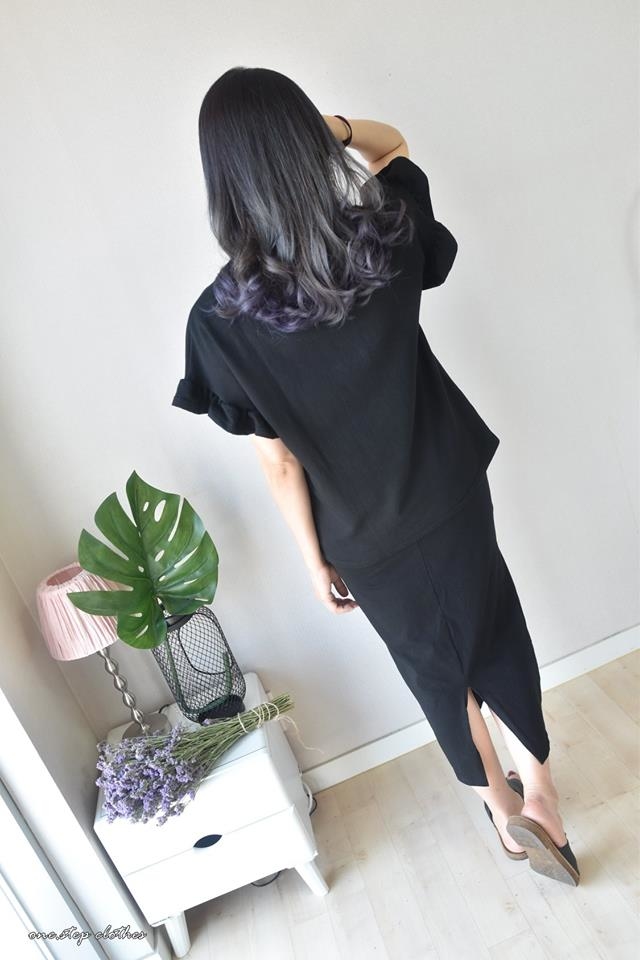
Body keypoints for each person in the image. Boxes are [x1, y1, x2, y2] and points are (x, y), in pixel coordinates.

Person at [172, 66, 580, 886]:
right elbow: (392, 149)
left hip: (362, 533)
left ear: (222, 177)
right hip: (450, 487)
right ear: (304, 139)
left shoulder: (219, 319)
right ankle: (542, 796)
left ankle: (501, 809)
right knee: (494, 625)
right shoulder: (380, 237)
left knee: (434, 666)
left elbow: (279, 459)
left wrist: (313, 560)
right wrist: (332, 129)